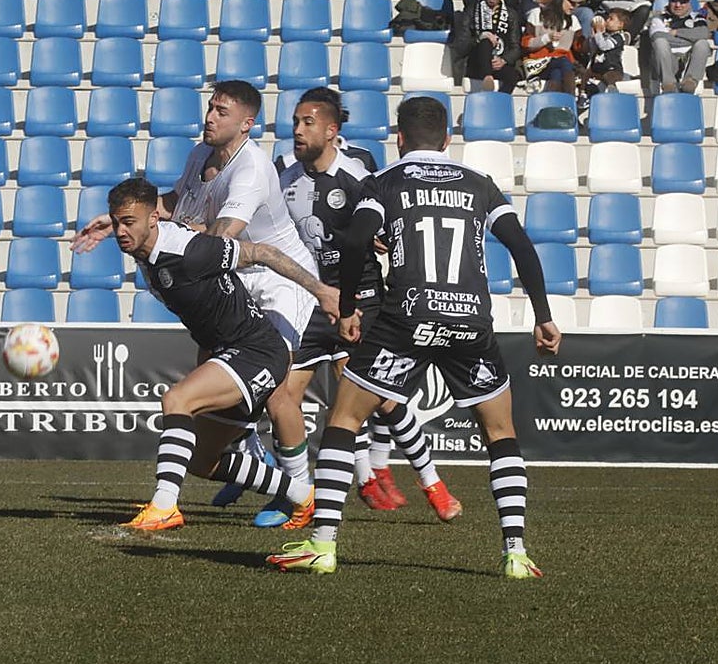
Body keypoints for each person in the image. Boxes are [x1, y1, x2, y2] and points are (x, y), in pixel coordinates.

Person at [267, 96, 562, 579]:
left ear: (399, 138)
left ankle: (322, 545)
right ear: (448, 140)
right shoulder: (479, 185)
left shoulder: (384, 183)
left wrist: (346, 307)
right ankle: (515, 553)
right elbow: (520, 246)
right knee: (500, 433)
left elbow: (355, 240)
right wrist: (543, 315)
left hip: (407, 318)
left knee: (344, 418)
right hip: (470, 322)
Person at [74, 81, 321, 527]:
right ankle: (280, 479)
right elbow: (169, 204)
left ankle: (293, 496)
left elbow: (221, 238)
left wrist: (325, 293)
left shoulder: (250, 170)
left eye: (221, 111)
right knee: (203, 452)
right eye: (210, 108)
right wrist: (117, 224)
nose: (210, 116)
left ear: (246, 124)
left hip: (279, 280)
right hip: (231, 289)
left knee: (277, 390)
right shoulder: (197, 157)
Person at [271, 88, 463, 520]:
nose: (297, 131)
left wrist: (356, 297)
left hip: (360, 299)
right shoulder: (282, 174)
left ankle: (431, 483)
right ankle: (298, 495)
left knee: (379, 398)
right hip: (309, 299)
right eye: (296, 122)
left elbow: (389, 230)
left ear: (331, 131)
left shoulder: (359, 177)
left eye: (307, 123)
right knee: (283, 395)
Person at [105, 178, 338, 532]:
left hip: (256, 351)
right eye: (116, 222)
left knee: (177, 399)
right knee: (202, 461)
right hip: (233, 352)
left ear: (154, 218)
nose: (121, 231)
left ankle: (165, 506)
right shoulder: (146, 252)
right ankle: (304, 496)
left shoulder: (187, 251)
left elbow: (261, 252)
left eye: (129, 222)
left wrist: (322, 291)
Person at [452, 0, 523, 93]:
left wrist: (504, 60)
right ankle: (487, 77)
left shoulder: (511, 15)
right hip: (476, 63)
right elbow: (460, 46)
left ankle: (499, 102)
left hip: (498, 62)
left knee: (512, 76)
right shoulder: (471, 11)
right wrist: (479, 38)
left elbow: (516, 47)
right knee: (486, 41)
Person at [646, 0, 712, 94]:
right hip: (667, 61)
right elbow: (656, 36)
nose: (678, 5)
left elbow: (704, 33)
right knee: (660, 43)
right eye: (674, 0)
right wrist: (690, 38)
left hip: (688, 60)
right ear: (669, 0)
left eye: (682, 1)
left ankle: (690, 82)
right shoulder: (659, 17)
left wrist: (676, 32)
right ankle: (669, 85)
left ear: (688, 2)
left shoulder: (697, 17)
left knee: (702, 44)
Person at [521, 0, 584, 94]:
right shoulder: (537, 14)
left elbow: (580, 47)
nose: (573, 6)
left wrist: (596, 35)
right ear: (559, 0)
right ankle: (572, 99)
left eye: (575, 3)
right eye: (570, 2)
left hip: (561, 66)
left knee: (557, 74)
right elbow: (526, 44)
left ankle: (551, 105)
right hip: (538, 63)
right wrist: (546, 38)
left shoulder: (573, 20)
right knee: (564, 61)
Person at [587, 7, 633, 92]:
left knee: (610, 76)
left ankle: (612, 90)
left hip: (612, 68)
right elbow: (593, 47)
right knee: (585, 74)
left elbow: (604, 46)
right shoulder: (604, 35)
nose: (607, 20)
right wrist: (593, 35)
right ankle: (582, 95)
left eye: (611, 19)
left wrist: (598, 32)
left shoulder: (619, 37)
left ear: (620, 24)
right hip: (598, 68)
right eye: (608, 18)